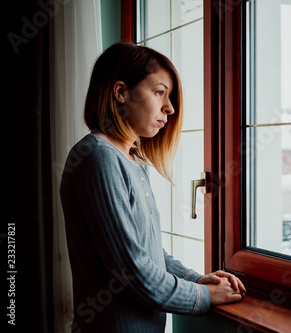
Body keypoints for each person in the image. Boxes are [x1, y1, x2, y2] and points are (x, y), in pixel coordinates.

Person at [60, 43, 246, 333]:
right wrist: (205, 296)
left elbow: (147, 253)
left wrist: (195, 279)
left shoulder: (131, 161)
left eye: (168, 96)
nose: (170, 108)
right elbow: (132, 272)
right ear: (120, 92)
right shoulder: (98, 157)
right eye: (160, 92)